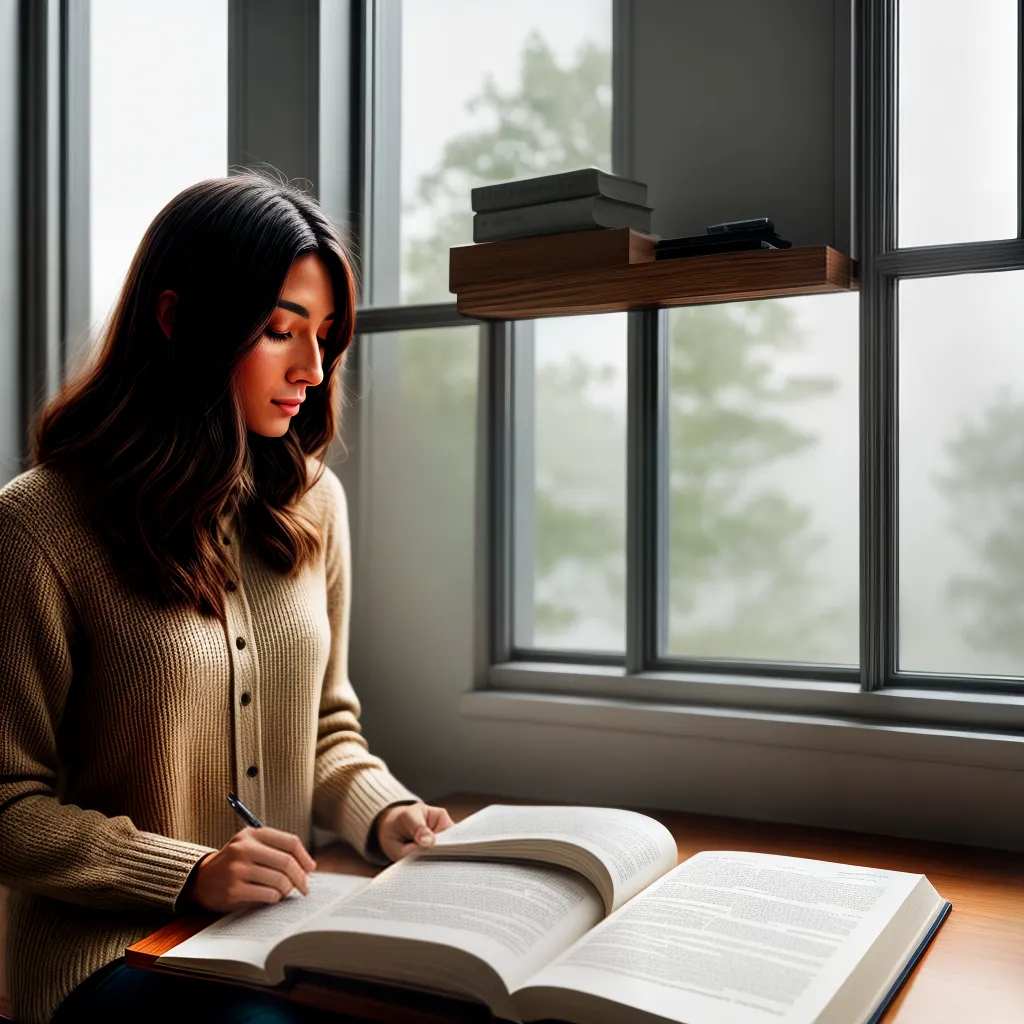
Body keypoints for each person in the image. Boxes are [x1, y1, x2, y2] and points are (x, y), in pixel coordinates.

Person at [0, 174, 454, 1023]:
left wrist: (385, 814)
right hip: (107, 954)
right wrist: (186, 873)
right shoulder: (38, 525)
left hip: (279, 934)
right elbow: (6, 804)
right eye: (281, 331)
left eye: (324, 336)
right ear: (176, 322)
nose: (313, 370)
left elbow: (327, 730)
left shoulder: (315, 504)